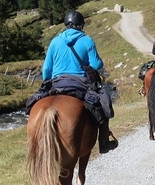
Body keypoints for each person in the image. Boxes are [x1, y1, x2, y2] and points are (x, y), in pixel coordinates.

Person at [38, 10, 118, 153]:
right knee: (103, 103)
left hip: (57, 83)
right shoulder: (87, 40)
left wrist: (46, 84)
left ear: (66, 24)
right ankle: (104, 142)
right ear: (81, 25)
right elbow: (96, 65)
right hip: (81, 83)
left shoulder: (55, 41)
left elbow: (46, 70)